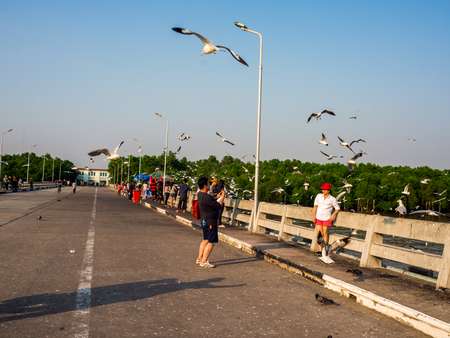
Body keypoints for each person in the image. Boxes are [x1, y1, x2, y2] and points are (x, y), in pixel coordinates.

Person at [196, 177, 225, 268]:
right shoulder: (207, 197)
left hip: (204, 220)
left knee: (205, 239)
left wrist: (217, 196)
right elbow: (218, 206)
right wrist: (223, 196)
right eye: (208, 184)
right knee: (211, 242)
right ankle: (204, 261)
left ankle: (199, 258)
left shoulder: (200, 194)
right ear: (205, 186)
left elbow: (210, 201)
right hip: (211, 221)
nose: (209, 185)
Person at [312, 182, 340, 255]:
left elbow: (337, 208)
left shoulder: (332, 199)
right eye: (322, 189)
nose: (323, 191)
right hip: (318, 217)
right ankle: (320, 250)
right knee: (319, 233)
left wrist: (333, 215)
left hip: (327, 218)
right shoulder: (318, 196)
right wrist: (313, 216)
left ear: (328, 190)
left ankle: (324, 250)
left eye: (325, 189)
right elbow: (315, 206)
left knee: (325, 233)